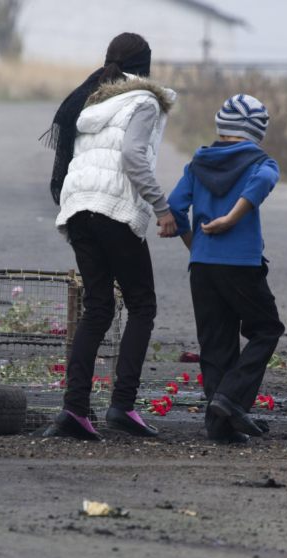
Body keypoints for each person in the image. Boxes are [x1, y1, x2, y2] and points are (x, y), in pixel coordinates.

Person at [43, 32, 188, 441]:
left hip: (77, 209)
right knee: (142, 305)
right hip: (112, 209)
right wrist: (162, 208)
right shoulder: (144, 101)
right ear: (145, 66)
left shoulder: (92, 102)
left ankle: (74, 412)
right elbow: (132, 156)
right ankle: (123, 406)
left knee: (98, 308)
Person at [168, 94, 285, 444]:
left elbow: (174, 206)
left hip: (202, 266)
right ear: (255, 131)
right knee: (266, 329)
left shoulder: (196, 164)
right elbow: (262, 183)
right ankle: (231, 398)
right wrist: (232, 219)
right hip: (241, 265)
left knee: (215, 341)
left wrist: (196, 245)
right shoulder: (261, 163)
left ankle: (220, 428)